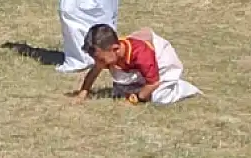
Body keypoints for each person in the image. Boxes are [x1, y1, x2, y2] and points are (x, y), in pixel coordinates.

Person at [71, 24, 201, 106]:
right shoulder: (108, 55)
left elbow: (153, 83)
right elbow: (94, 72)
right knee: (119, 91)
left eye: (101, 60)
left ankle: (183, 88)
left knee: (158, 98)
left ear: (115, 48)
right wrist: (83, 92)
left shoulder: (141, 54)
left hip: (161, 65)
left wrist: (137, 99)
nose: (99, 64)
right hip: (138, 69)